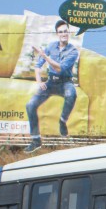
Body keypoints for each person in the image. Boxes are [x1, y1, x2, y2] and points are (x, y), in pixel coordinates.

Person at [24, 20, 79, 153]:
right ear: (57, 34)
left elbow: (60, 68)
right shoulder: (51, 47)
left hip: (65, 82)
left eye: (65, 31)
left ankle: (62, 120)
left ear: (69, 32)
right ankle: (36, 140)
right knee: (30, 105)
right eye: (61, 32)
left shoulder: (73, 51)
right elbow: (38, 66)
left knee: (72, 94)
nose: (63, 34)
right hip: (50, 83)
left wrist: (44, 56)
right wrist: (39, 82)